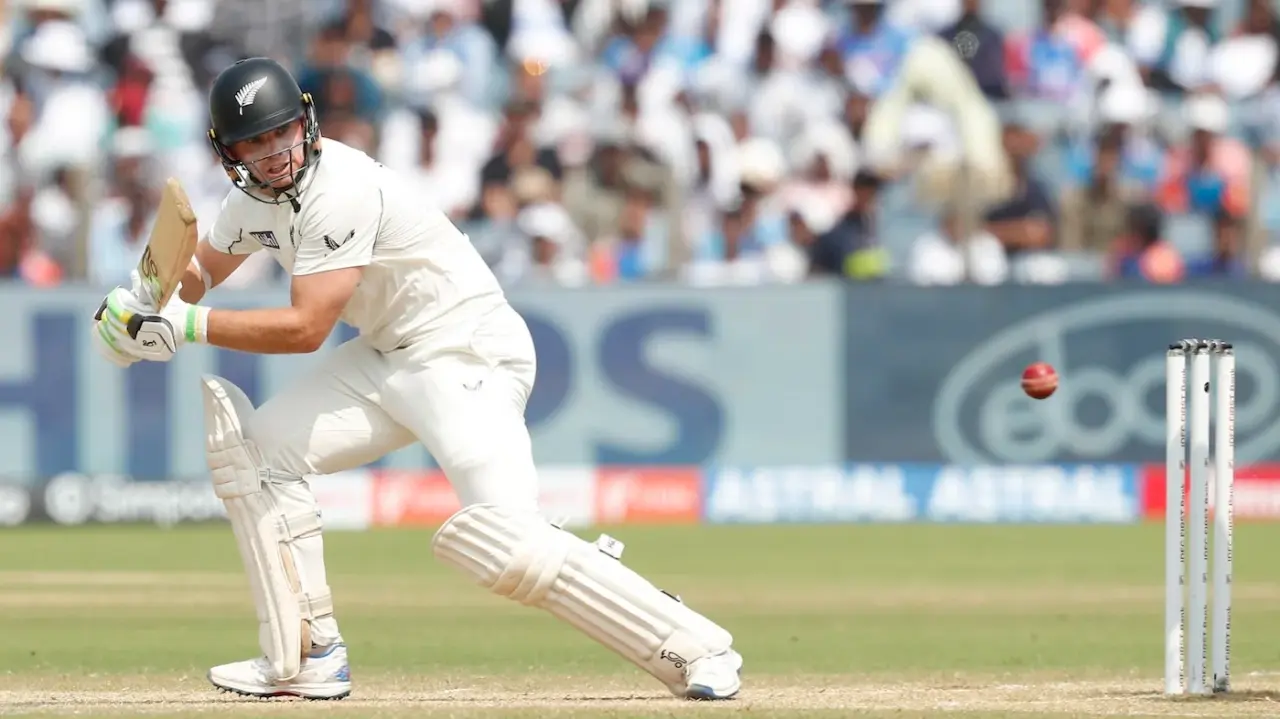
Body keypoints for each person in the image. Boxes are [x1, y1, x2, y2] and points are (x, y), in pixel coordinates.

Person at [90, 57, 743, 702]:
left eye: (281, 131)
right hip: (387, 357)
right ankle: (310, 654)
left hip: (466, 351)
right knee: (257, 455)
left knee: (507, 540)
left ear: (305, 123)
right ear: (227, 152)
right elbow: (203, 270)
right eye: (253, 142)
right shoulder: (250, 201)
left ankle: (697, 644)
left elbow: (307, 326)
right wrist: (143, 304)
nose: (274, 152)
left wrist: (189, 326)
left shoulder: (339, 186)